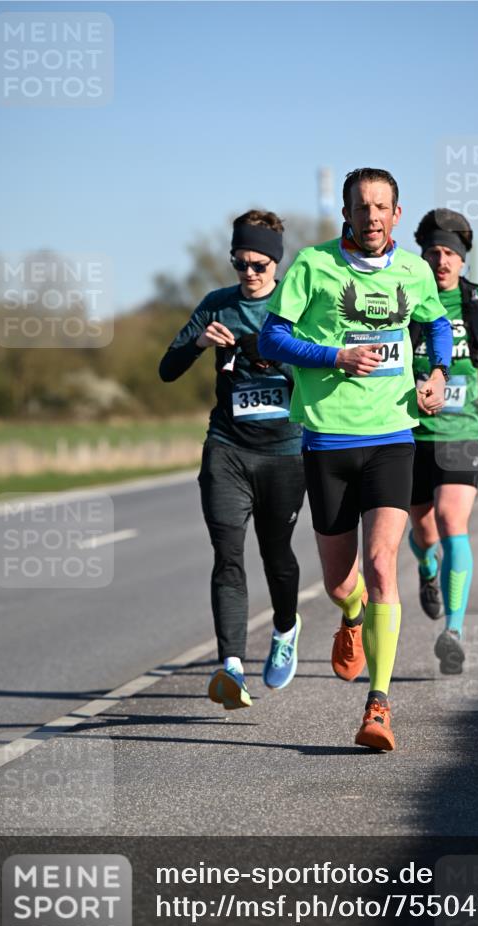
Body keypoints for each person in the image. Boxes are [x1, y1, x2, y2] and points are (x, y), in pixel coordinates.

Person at [258, 167, 452, 752]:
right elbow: (272, 339)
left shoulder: (414, 271)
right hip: (327, 441)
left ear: (397, 214)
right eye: (361, 206)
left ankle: (379, 704)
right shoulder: (315, 266)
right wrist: (334, 356)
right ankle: (350, 615)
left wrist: (437, 374)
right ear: (347, 213)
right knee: (344, 583)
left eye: (381, 206)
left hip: (394, 434)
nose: (371, 216)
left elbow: (437, 323)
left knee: (381, 562)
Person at [159, 210, 306, 710]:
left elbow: (323, 365)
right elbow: (167, 370)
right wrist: (200, 343)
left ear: (275, 262)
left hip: (285, 452)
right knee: (228, 555)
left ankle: (285, 629)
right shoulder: (216, 306)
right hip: (227, 447)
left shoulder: (297, 304)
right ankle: (232, 668)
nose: (248, 273)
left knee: (277, 556)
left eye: (259, 265)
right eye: (240, 263)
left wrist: (269, 353)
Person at [407, 209, 478, 674]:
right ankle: (427, 567)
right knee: (424, 531)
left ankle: (454, 631)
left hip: (461, 430)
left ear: (463, 259)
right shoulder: (406, 298)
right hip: (410, 433)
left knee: (452, 521)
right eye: (433, 253)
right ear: (423, 256)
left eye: (449, 253)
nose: (441, 261)